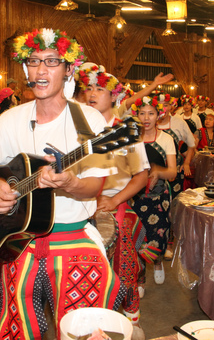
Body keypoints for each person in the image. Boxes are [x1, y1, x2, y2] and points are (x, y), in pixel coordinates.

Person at [0, 28, 124, 339]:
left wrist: (68, 183)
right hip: (18, 241)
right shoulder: (11, 118)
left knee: (82, 330)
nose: (40, 70)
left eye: (51, 62)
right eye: (33, 61)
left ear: (68, 69)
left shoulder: (90, 122)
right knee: (19, 331)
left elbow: (94, 188)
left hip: (72, 238)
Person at [76, 63, 149, 332]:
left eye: (100, 89)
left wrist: (115, 200)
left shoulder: (126, 130)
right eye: (89, 88)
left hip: (112, 203)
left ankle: (132, 324)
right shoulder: (78, 128)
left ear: (114, 96)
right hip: (80, 205)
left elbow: (141, 176)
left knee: (123, 268)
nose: (93, 93)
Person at [129, 96, 177, 294]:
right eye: (142, 113)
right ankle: (140, 278)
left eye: (151, 113)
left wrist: (158, 171)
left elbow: (173, 172)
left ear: (159, 115)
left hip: (159, 197)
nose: (146, 117)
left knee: (158, 234)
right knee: (136, 237)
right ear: (136, 115)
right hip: (134, 194)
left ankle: (157, 262)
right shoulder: (131, 139)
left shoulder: (166, 139)